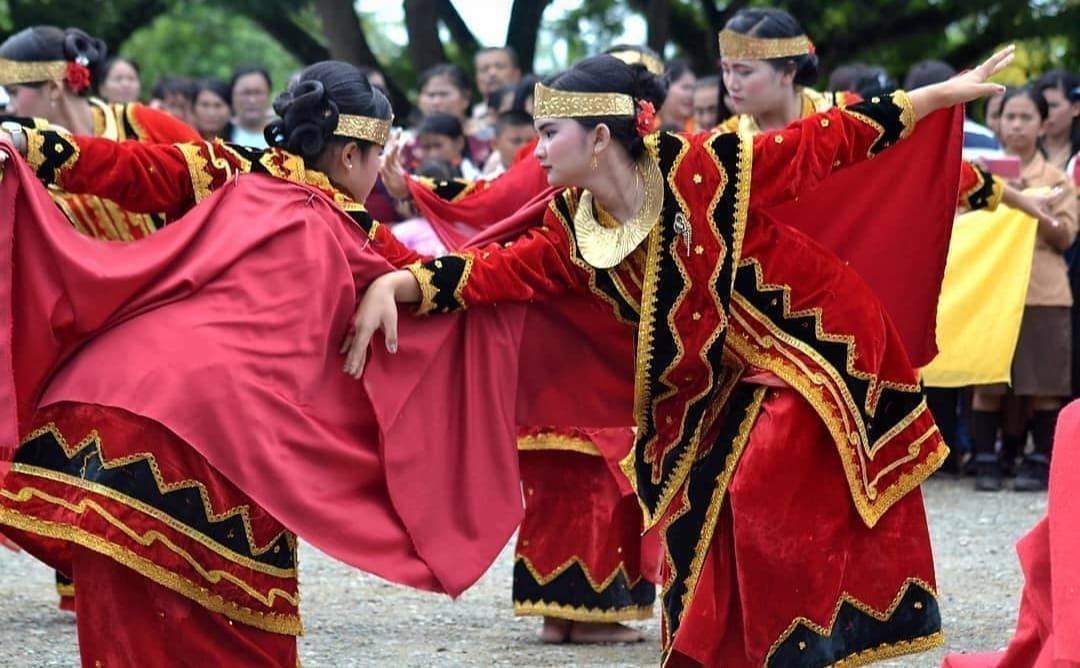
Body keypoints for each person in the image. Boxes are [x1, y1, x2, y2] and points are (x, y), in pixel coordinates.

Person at [345, 45, 1015, 667]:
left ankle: (798, 646)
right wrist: (395, 285)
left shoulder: (706, 166)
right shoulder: (573, 230)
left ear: (600, 137)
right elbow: (494, 270)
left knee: (760, 479)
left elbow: (827, 141)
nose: (535, 150)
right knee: (699, 506)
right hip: (721, 377)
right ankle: (719, 650)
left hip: (814, 344)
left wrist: (934, 98)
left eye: (550, 135)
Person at [0, 60, 512, 667]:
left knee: (124, 619)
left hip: (108, 395)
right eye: (378, 154)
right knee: (240, 639)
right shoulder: (355, 231)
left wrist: (26, 142)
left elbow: (132, 167)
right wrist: (401, 282)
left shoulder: (232, 170)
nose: (379, 172)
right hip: (215, 432)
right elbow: (463, 285)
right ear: (350, 155)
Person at [969, 86, 1078, 492]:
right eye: (1009, 116)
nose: (1016, 125)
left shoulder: (1056, 181)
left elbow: (1066, 236)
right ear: (995, 121)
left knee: (1044, 383)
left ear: (1043, 124)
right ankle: (985, 461)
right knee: (988, 382)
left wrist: (1037, 211)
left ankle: (1037, 461)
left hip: (1042, 291)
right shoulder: (981, 176)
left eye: (1025, 117)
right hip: (992, 291)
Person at [0, 25, 201, 244]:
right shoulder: (23, 161)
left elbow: (211, 178)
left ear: (54, 88)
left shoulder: (145, 123)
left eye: (13, 93)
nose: (10, 107)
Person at [229, 65, 273, 147]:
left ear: (269, 95)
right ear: (232, 96)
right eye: (246, 93)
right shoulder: (219, 135)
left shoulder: (283, 136)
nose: (252, 100)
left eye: (258, 92)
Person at [658, 59, 695, 131]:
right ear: (665, 86)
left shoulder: (702, 129)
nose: (691, 94)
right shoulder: (646, 126)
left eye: (694, 89)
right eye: (686, 87)